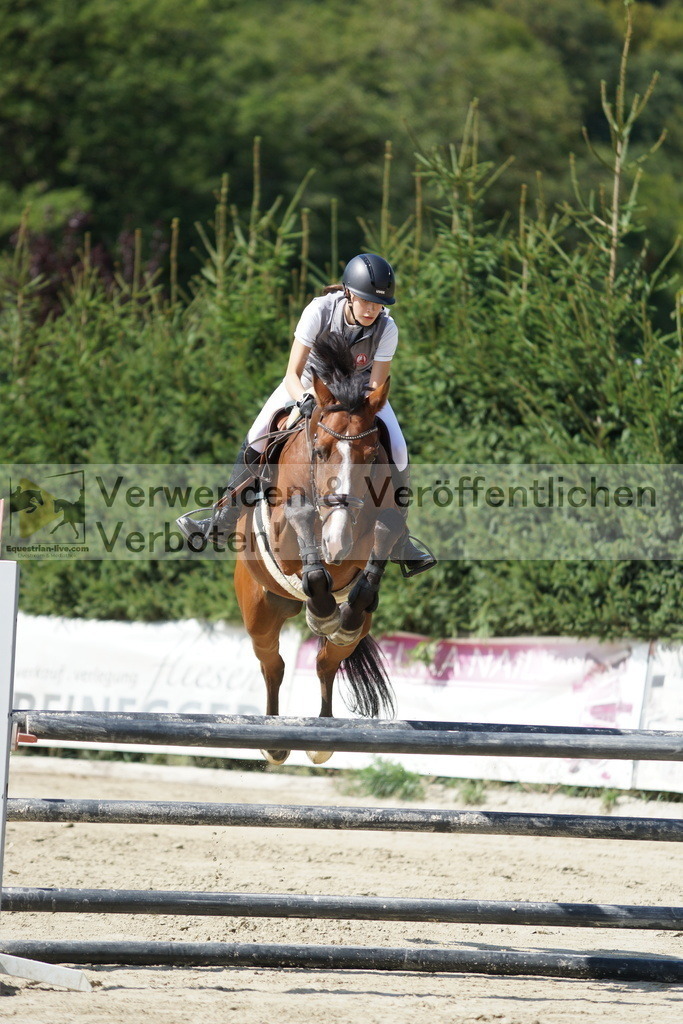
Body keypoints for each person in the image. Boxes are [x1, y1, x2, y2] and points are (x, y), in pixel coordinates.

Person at [177, 253, 436, 576]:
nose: (372, 310)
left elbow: (376, 383)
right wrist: (304, 400)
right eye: (365, 301)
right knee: (259, 435)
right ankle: (221, 520)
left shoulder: (387, 327)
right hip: (307, 387)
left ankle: (401, 539)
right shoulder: (319, 311)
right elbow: (291, 372)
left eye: (378, 304)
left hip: (357, 396)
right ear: (348, 293)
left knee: (398, 448)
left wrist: (360, 410)